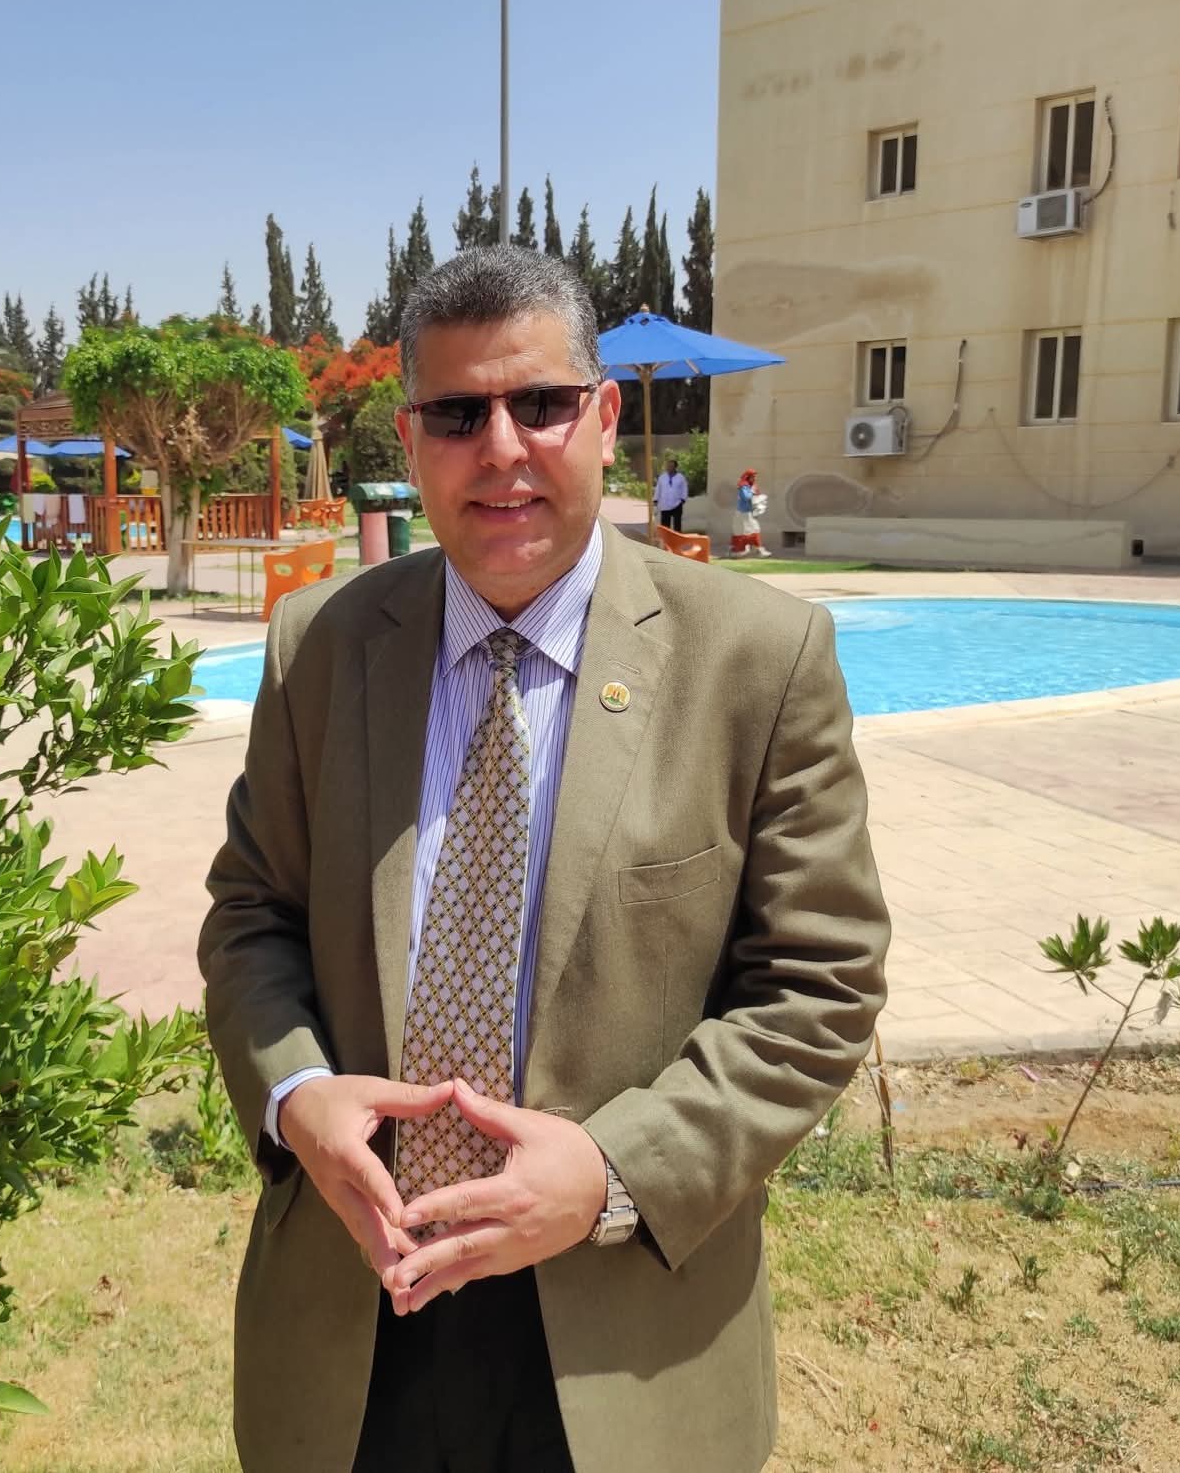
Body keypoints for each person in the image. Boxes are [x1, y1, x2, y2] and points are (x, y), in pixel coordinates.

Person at [199, 246, 889, 1473]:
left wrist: (614, 1171)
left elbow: (818, 985)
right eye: (457, 414)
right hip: (357, 1324)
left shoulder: (756, 660)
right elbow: (252, 915)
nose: (502, 448)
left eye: (541, 403)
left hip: (624, 1322)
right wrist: (298, 1093)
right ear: (410, 439)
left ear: (605, 418)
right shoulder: (321, 647)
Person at [731, 468, 770, 556]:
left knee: (750, 530)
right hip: (743, 513)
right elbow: (746, 497)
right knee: (752, 530)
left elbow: (756, 495)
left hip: (748, 512)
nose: (754, 478)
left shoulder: (751, 486)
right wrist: (753, 492)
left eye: (755, 477)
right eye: (753, 477)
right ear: (748, 477)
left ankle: (751, 550)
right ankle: (757, 550)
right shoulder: (743, 486)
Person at [653, 454, 688, 531]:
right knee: (665, 526)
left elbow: (684, 488)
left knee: (677, 524)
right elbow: (658, 489)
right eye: (668, 466)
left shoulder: (680, 477)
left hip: (677, 504)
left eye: (671, 466)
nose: (669, 467)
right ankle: (666, 537)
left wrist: (683, 499)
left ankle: (677, 537)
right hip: (665, 504)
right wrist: (655, 500)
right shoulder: (662, 477)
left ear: (675, 467)